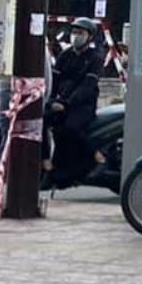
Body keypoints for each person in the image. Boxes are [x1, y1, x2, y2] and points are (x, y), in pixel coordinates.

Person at [45, 18, 104, 181]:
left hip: (83, 106)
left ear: (90, 36)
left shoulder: (95, 58)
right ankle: (46, 162)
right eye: (74, 32)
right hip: (61, 103)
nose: (76, 35)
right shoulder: (65, 55)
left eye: (80, 33)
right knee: (42, 122)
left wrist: (67, 103)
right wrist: (49, 100)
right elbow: (55, 82)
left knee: (71, 127)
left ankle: (97, 156)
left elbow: (87, 86)